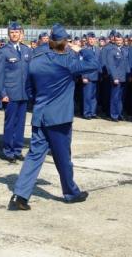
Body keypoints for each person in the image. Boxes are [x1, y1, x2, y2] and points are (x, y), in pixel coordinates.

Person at [9, 24, 98, 210]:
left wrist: (39, 102)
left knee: (34, 155)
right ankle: (71, 193)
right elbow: (93, 64)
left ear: (50, 40)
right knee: (63, 157)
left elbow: (29, 88)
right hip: (59, 118)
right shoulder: (67, 62)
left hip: (40, 115)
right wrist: (81, 49)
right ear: (65, 42)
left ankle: (20, 195)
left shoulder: (36, 61)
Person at [0, 22, 32, 163]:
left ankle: (17, 149)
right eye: (12, 32)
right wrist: (3, 93)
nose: (15, 34)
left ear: (21, 33)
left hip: (23, 93)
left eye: (17, 32)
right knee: (10, 123)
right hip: (10, 94)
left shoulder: (26, 50)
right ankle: (8, 151)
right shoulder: (4, 51)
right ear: (8, 34)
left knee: (21, 123)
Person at [105, 32, 128, 122]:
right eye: (117, 40)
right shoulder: (112, 51)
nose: (119, 41)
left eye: (120, 40)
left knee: (121, 97)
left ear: (122, 40)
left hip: (123, 77)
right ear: (114, 41)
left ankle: (119, 114)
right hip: (116, 78)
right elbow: (111, 65)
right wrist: (115, 77)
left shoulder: (124, 50)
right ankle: (114, 115)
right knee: (115, 97)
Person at [80, 32, 99, 119]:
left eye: (93, 39)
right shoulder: (84, 49)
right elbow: (82, 64)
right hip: (88, 76)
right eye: (90, 39)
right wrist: (84, 76)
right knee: (87, 96)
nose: (92, 41)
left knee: (93, 96)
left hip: (96, 76)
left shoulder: (97, 49)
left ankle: (93, 112)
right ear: (87, 40)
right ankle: (87, 113)